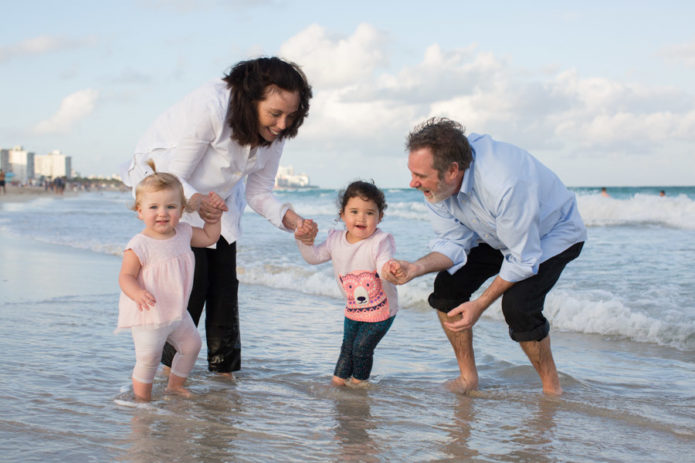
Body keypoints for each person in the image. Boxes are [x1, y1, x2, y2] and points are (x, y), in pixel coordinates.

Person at [121, 57, 317, 377]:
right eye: (275, 114)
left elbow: (259, 192)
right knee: (189, 288)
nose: (283, 124)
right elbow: (173, 176)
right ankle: (168, 379)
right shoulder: (211, 106)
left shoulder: (276, 132)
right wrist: (196, 201)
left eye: (291, 116)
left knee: (225, 290)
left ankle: (224, 383)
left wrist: (294, 222)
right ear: (250, 100)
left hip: (221, 203)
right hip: (169, 197)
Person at [384, 118, 586, 395]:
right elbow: (454, 243)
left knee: (518, 306)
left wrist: (479, 304)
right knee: (447, 290)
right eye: (412, 172)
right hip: (494, 232)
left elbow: (523, 259)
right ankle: (468, 379)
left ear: (453, 170)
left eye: (420, 175)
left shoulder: (504, 182)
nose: (412, 182)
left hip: (552, 234)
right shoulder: (435, 186)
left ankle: (552, 389)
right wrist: (416, 267)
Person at [117, 163, 222, 401]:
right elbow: (126, 276)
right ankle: (141, 399)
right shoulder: (139, 244)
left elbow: (208, 237)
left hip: (176, 311)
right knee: (149, 358)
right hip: (149, 314)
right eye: (153, 207)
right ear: (139, 211)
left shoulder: (184, 232)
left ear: (182, 209)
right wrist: (137, 293)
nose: (162, 213)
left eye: (170, 206)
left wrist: (214, 218)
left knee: (192, 346)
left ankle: (174, 386)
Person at [295, 181, 398, 386]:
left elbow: (382, 263)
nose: (361, 217)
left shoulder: (379, 241)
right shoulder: (336, 240)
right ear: (342, 215)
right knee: (347, 348)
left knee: (361, 349)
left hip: (381, 310)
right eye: (354, 211)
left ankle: (360, 387)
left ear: (380, 217)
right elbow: (314, 257)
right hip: (353, 309)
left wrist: (389, 269)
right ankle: (338, 384)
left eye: (370, 213)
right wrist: (303, 241)